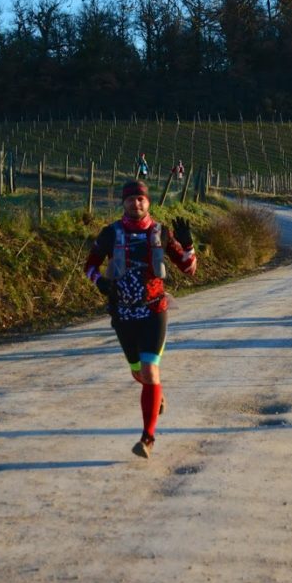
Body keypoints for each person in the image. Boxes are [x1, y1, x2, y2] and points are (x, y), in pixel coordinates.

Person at [84, 179, 197, 459]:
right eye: (132, 199)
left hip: (154, 311)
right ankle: (156, 394)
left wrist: (188, 244)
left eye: (142, 199)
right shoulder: (110, 233)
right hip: (123, 314)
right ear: (123, 202)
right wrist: (99, 281)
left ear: (149, 203)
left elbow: (189, 269)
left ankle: (147, 438)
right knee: (139, 372)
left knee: (149, 371)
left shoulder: (161, 233)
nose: (137, 203)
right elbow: (89, 265)